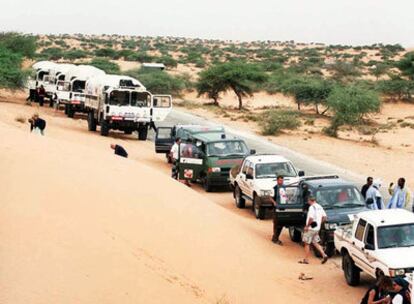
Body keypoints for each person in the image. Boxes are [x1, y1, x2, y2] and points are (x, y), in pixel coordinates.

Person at [299, 195, 328, 264]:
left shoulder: (312, 207)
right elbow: (325, 217)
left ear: (310, 200)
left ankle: (306, 259)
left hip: (310, 228)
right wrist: (319, 223)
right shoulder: (320, 206)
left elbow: (311, 218)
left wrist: (307, 226)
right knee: (315, 242)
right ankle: (324, 255)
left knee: (306, 243)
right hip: (317, 228)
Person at [270, 175, 288, 245]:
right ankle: (275, 238)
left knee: (280, 223)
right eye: (280, 180)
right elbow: (270, 197)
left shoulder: (284, 188)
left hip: (282, 207)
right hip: (276, 208)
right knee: (277, 223)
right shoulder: (274, 188)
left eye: (282, 180)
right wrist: (274, 202)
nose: (281, 181)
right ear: (277, 180)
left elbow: (285, 196)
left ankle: (275, 237)